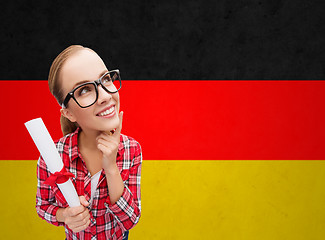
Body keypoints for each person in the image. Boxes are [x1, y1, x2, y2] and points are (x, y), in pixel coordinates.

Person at [36, 45, 142, 240]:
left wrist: (110, 167)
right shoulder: (53, 155)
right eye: (84, 90)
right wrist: (64, 215)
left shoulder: (131, 149)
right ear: (68, 113)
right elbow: (43, 206)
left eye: (106, 79)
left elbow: (130, 220)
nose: (105, 96)